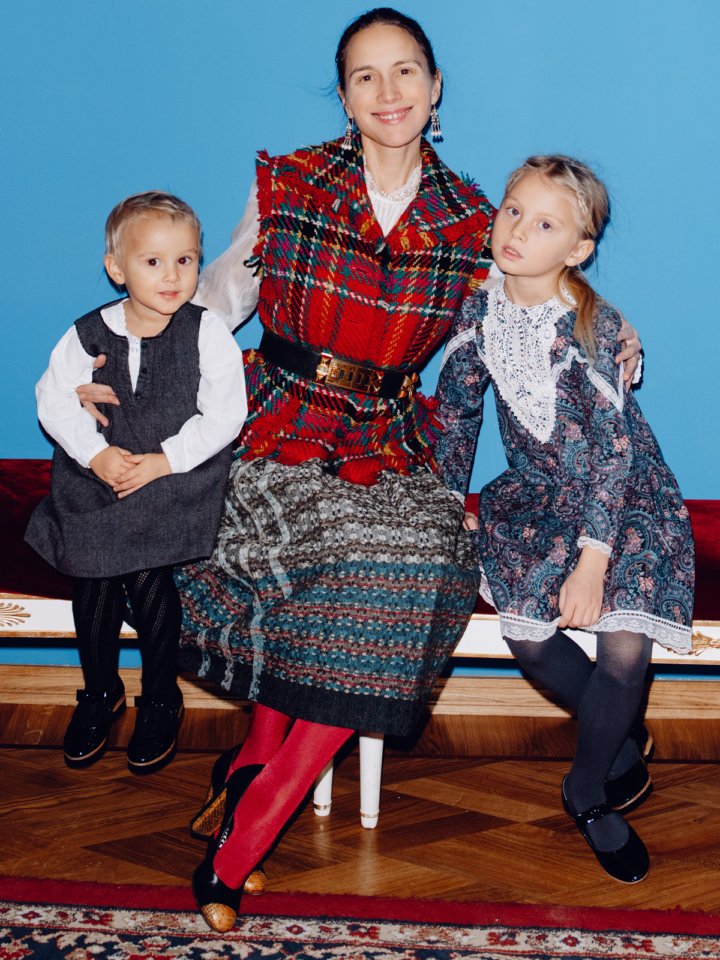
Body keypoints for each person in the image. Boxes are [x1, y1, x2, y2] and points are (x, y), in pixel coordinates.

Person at [75, 9, 641, 929]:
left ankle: (252, 798)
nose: (388, 92)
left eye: (405, 71)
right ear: (343, 96)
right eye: (365, 76)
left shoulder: (469, 217)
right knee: (331, 571)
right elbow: (213, 296)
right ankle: (248, 810)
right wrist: (119, 359)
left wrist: (608, 325)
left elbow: (537, 282)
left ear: (435, 87)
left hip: (387, 441)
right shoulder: (291, 182)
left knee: (419, 570)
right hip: (275, 427)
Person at [435, 155, 694, 884]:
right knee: (529, 634)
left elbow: (614, 452)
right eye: (513, 210)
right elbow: (456, 416)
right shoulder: (476, 310)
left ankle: (586, 790)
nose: (518, 230)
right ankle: (619, 742)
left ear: (577, 249)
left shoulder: (594, 326)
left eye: (545, 224)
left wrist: (593, 561)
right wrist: (448, 505)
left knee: (623, 646)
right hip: (538, 496)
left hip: (624, 499)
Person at [25, 191, 247, 774]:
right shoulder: (88, 332)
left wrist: (165, 460)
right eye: (153, 262)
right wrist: (96, 455)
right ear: (117, 268)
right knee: (92, 572)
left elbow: (226, 416)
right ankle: (100, 691)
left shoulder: (206, 332)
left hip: (172, 475)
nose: (172, 276)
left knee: (147, 570)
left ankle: (161, 696)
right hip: (99, 474)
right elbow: (53, 399)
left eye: (185, 260)